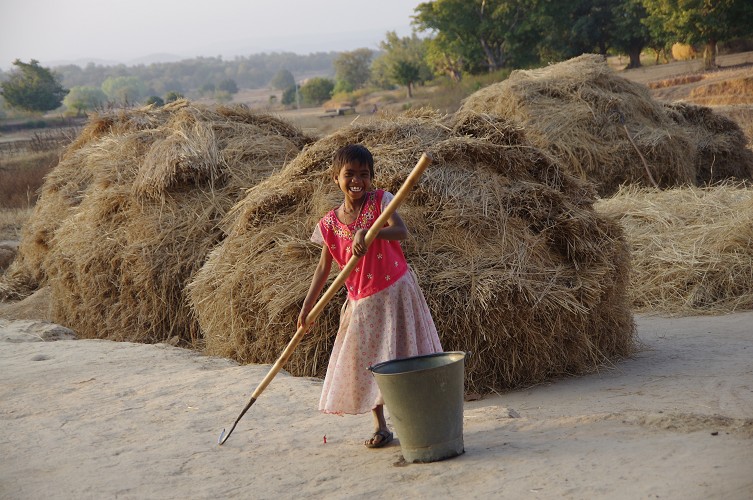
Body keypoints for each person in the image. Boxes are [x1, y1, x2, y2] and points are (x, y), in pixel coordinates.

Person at [298, 144, 443, 449]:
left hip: (395, 293)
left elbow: (400, 231)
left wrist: (370, 233)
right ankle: (381, 426)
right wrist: (308, 305)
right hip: (361, 302)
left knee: (405, 356)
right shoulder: (329, 224)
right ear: (336, 177)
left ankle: (419, 420)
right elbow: (325, 266)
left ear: (371, 178)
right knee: (370, 363)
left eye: (364, 175)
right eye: (349, 174)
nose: (357, 181)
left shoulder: (381, 202)